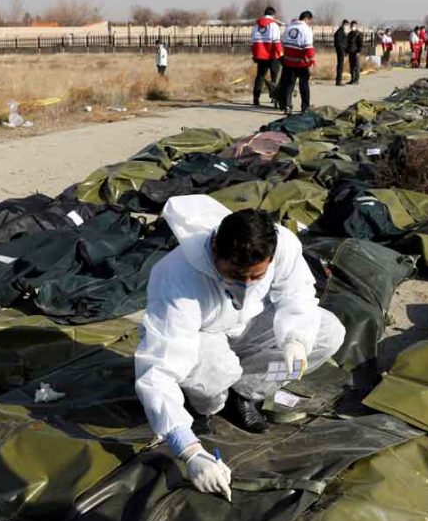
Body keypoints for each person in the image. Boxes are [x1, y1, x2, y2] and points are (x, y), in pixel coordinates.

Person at [135, 196, 346, 499]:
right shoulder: (178, 277)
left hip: (248, 322)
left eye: (256, 276)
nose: (246, 284)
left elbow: (296, 292)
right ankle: (210, 401)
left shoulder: (281, 245)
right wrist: (188, 449)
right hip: (202, 335)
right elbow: (158, 368)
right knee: (215, 384)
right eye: (235, 275)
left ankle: (247, 392)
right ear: (215, 251)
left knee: (327, 332)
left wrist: (296, 338)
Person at [279, 10, 316, 114]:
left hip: (288, 62)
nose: (310, 23)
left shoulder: (289, 28)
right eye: (310, 21)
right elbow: (308, 48)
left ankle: (287, 106)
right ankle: (305, 108)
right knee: (303, 86)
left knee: (289, 85)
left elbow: (283, 43)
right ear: (306, 19)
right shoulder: (306, 29)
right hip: (301, 63)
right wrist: (312, 62)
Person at [250, 7, 283, 106]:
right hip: (273, 55)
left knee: (260, 76)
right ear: (273, 15)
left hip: (260, 55)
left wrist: (254, 54)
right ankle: (274, 97)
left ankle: (256, 98)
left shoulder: (256, 25)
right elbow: (276, 42)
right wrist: (281, 54)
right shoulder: (273, 25)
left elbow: (252, 42)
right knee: (274, 77)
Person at [333, 19, 348, 86]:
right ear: (344, 24)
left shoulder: (342, 31)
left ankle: (339, 80)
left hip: (342, 51)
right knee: (340, 66)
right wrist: (342, 51)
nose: (347, 27)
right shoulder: (340, 32)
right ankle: (338, 81)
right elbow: (339, 43)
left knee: (340, 66)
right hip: (340, 51)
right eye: (347, 25)